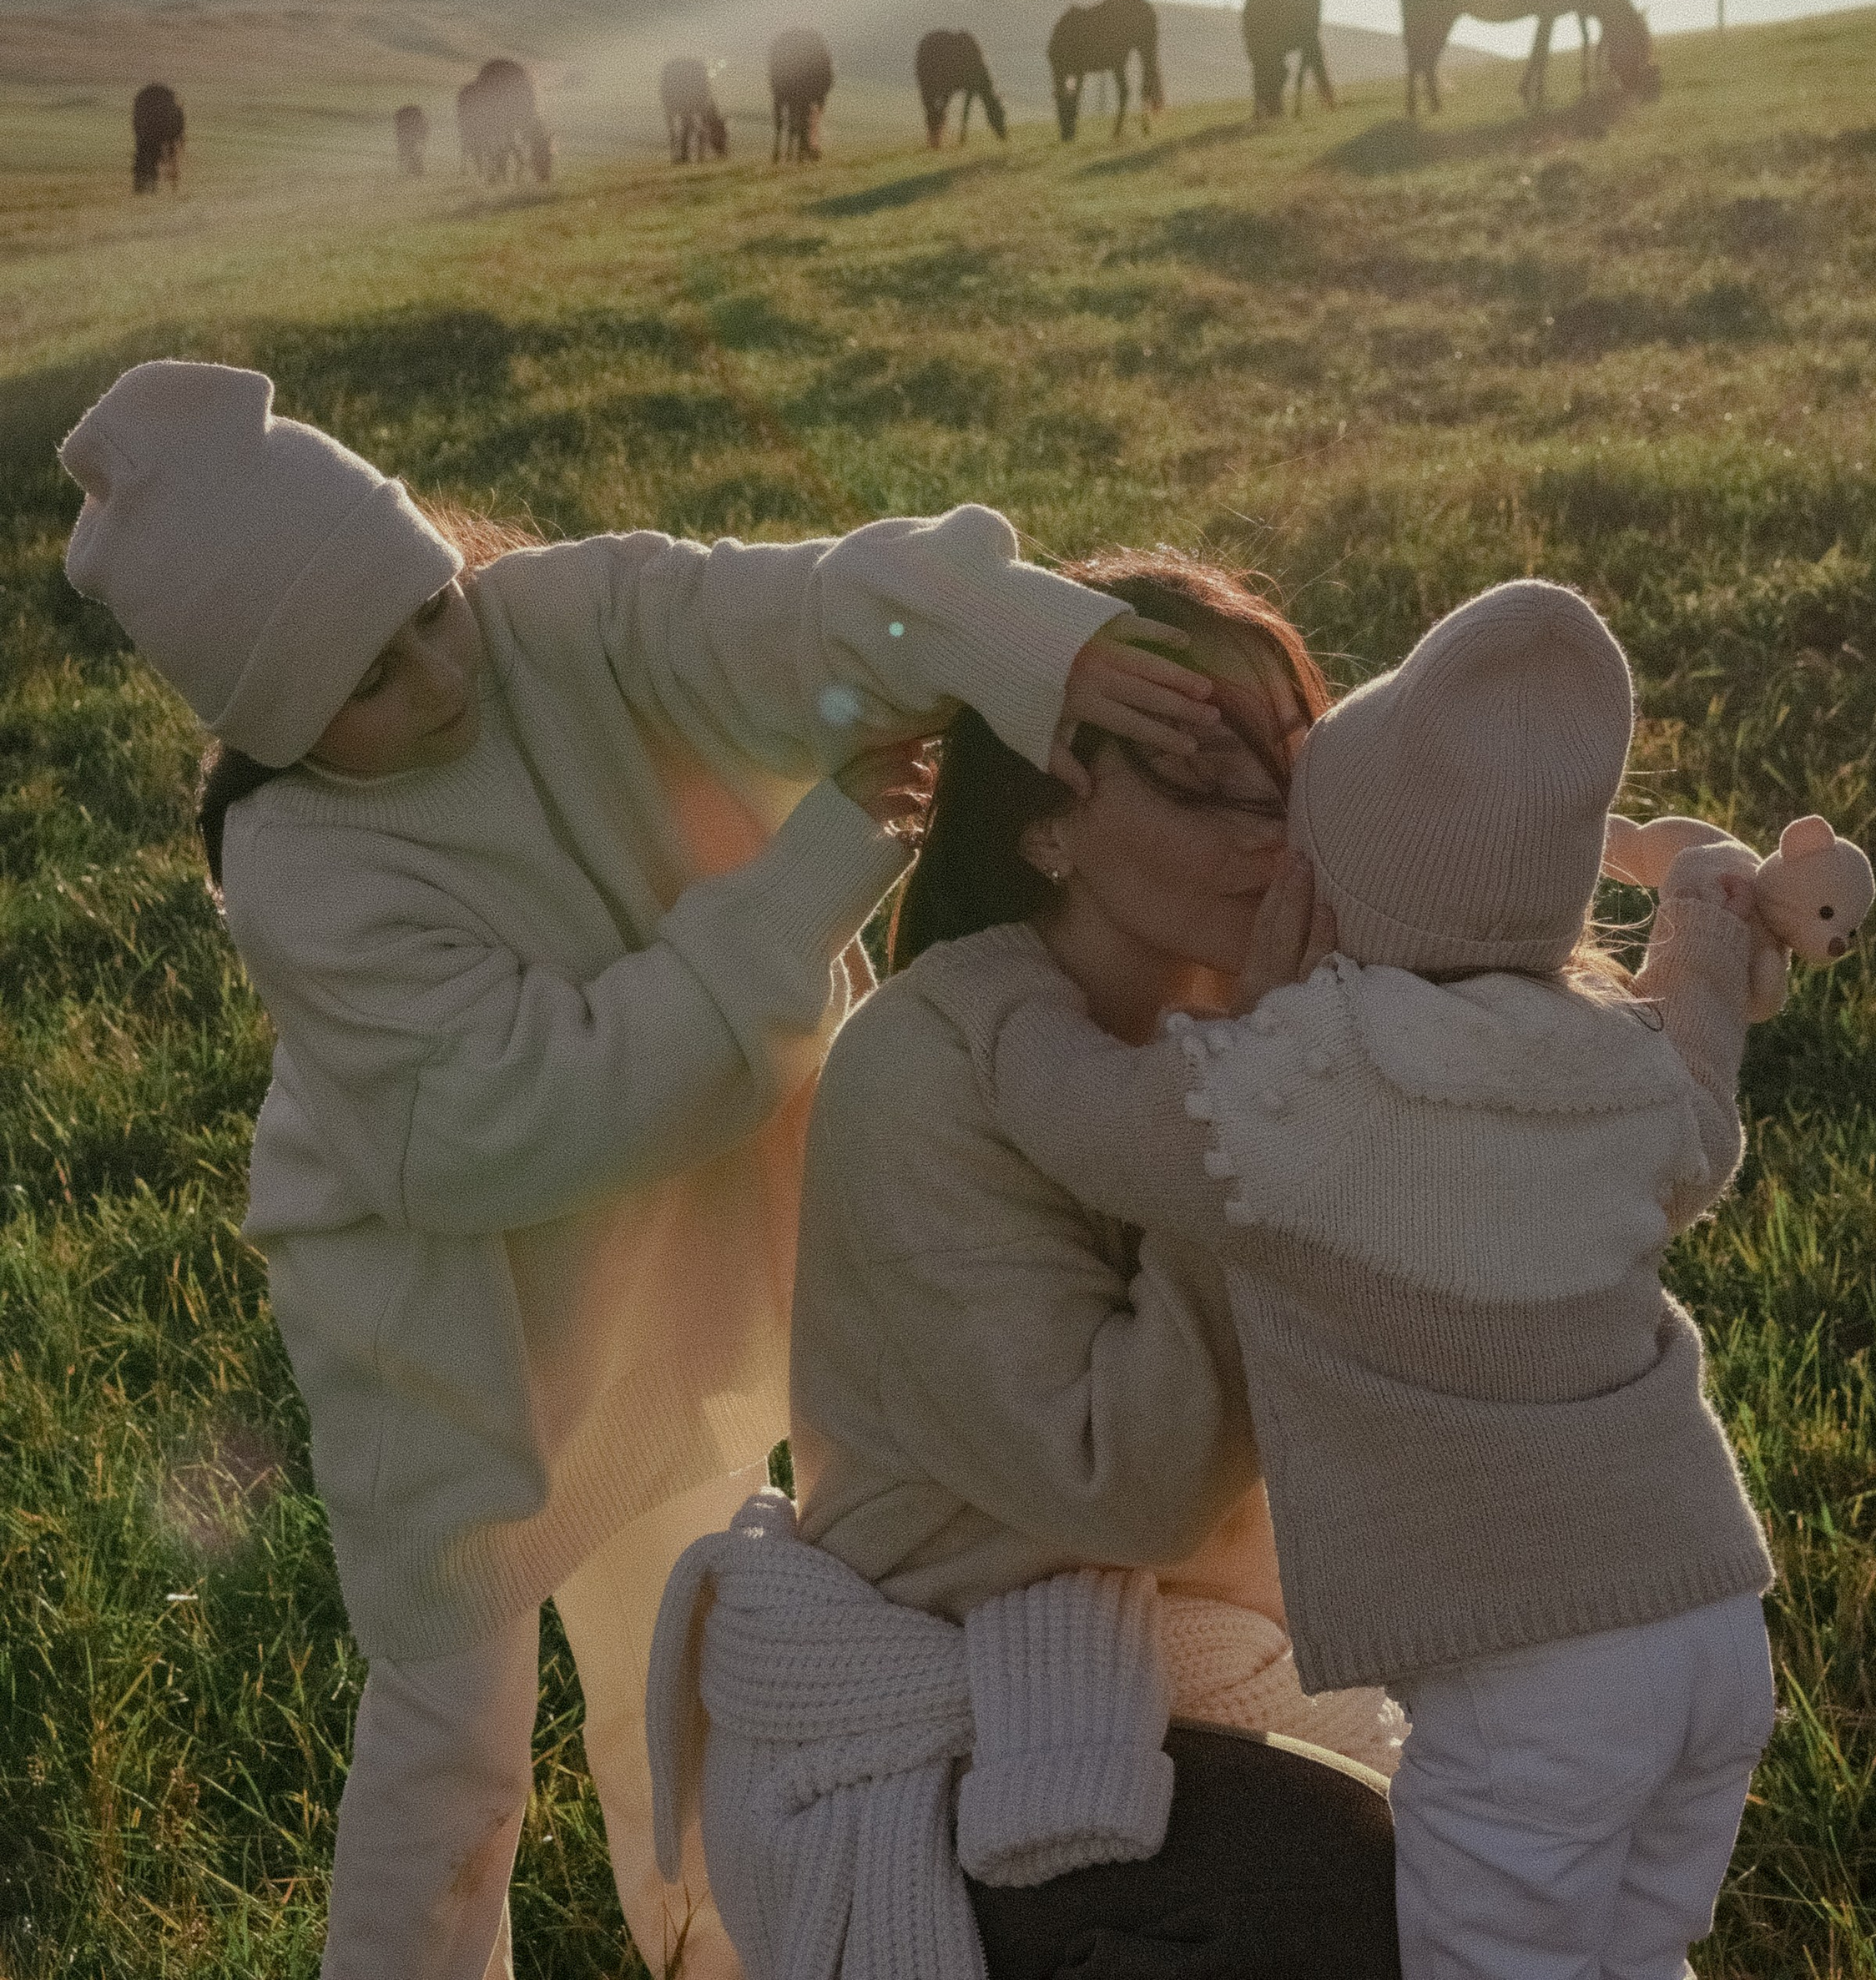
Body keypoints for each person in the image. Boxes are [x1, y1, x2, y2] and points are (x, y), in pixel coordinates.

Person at [57, 359, 1212, 1980]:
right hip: (448, 1342)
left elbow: (796, 615)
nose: (435, 667)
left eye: (425, 605)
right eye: (366, 678)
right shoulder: (304, 863)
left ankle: (719, 1947)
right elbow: (517, 1110)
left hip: (653, 1269)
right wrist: (808, 875)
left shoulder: (550, 618)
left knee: (674, 1661)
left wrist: (1027, 637)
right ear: (271, 725)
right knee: (450, 1741)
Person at [941, 577, 1786, 1980]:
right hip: (1708, 1626)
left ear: (1338, 879)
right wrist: (1701, 910)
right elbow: (1705, 1097)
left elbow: (1082, 1118)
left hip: (1536, 1667)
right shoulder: (1616, 1059)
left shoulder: (1305, 1080)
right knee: (1638, 1950)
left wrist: (1002, 988)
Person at [656, 552, 1405, 1978]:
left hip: (1227, 1675)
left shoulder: (1249, 1006)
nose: (1274, 834)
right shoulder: (930, 1068)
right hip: (985, 1737)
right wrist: (1263, 1101)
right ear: (1051, 820)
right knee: (1363, 1889)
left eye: (1296, 784)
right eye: (1207, 788)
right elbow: (1122, 1483)